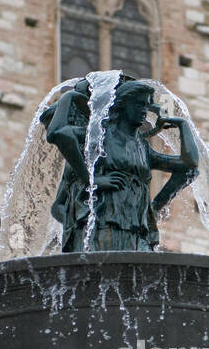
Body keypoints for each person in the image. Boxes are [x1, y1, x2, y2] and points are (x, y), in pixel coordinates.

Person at [44, 74, 199, 252]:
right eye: (139, 104)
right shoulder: (99, 136)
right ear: (123, 105)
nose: (144, 110)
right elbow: (59, 133)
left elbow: (190, 167)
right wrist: (92, 181)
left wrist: (182, 125)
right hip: (102, 224)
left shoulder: (142, 147)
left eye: (146, 105)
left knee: (140, 275)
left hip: (138, 228)